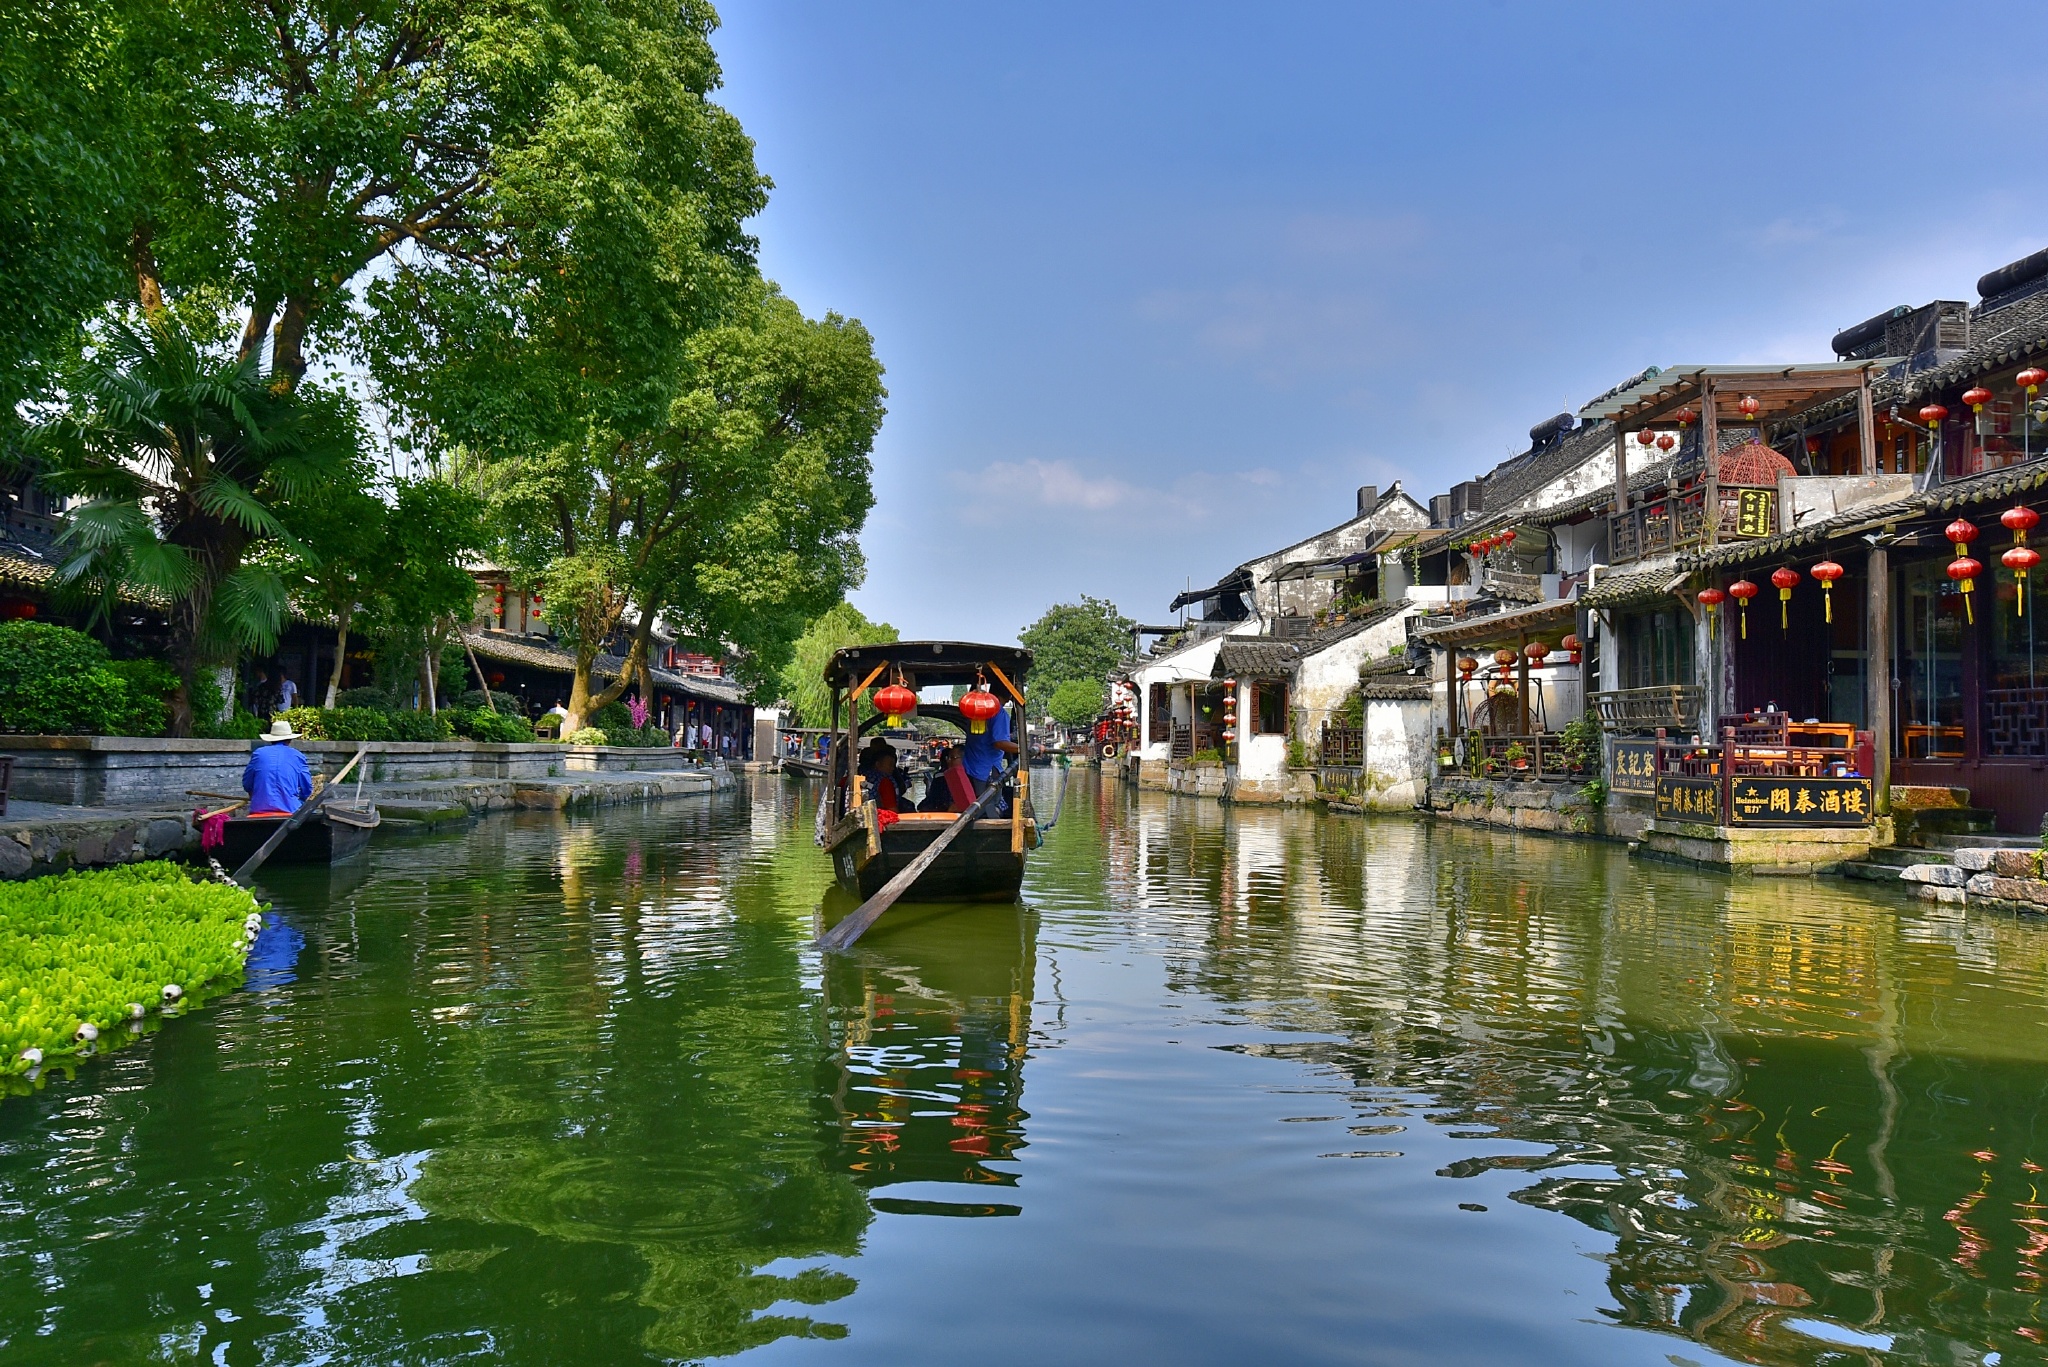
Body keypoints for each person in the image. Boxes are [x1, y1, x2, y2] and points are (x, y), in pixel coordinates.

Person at [242, 717, 314, 817]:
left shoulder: (259, 753)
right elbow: (307, 788)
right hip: (290, 808)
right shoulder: (297, 755)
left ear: (271, 739)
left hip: (259, 807)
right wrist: (301, 799)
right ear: (290, 740)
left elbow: (247, 783)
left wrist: (255, 796)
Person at [961, 693, 1018, 812]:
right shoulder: (999, 712)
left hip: (971, 769)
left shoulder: (976, 710)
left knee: (978, 806)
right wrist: (1025, 749)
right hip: (987, 771)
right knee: (989, 808)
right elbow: (999, 742)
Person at [858, 738, 902, 812]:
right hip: (878, 817)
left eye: (893, 765)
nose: (892, 768)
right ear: (877, 764)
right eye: (890, 765)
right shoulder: (885, 782)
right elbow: (892, 810)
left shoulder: (858, 776)